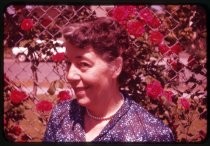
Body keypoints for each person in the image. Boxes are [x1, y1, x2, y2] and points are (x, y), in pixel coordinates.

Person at [43, 17, 174, 142]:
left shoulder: (150, 134)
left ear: (115, 67)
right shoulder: (62, 116)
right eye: (68, 63)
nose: (70, 75)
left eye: (83, 64)